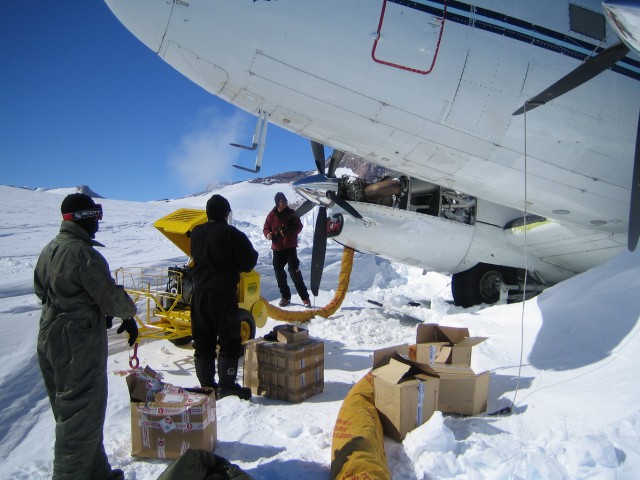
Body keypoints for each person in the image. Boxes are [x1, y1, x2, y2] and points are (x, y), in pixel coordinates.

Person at [34, 193, 138, 480]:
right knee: (79, 418)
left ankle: (97, 474)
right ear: (83, 219)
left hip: (49, 335)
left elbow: (41, 290)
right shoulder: (84, 254)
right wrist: (127, 313)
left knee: (77, 414)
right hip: (76, 343)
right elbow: (113, 299)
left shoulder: (50, 249)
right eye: (95, 216)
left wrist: (78, 304)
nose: (98, 223)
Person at [190, 194, 258, 400]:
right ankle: (227, 385)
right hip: (223, 295)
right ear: (226, 214)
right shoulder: (232, 234)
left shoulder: (196, 233)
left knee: (203, 342)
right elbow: (249, 261)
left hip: (199, 295)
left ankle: (206, 386)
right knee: (229, 341)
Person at [263, 192, 311, 308]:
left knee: (294, 272)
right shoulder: (271, 215)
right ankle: (285, 297)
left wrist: (289, 231)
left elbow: (299, 226)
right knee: (279, 274)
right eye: (282, 200)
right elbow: (266, 227)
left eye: (285, 200)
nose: (285, 202)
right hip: (277, 248)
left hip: (290, 247)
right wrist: (268, 234)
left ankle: (305, 298)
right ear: (277, 203)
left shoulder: (291, 214)